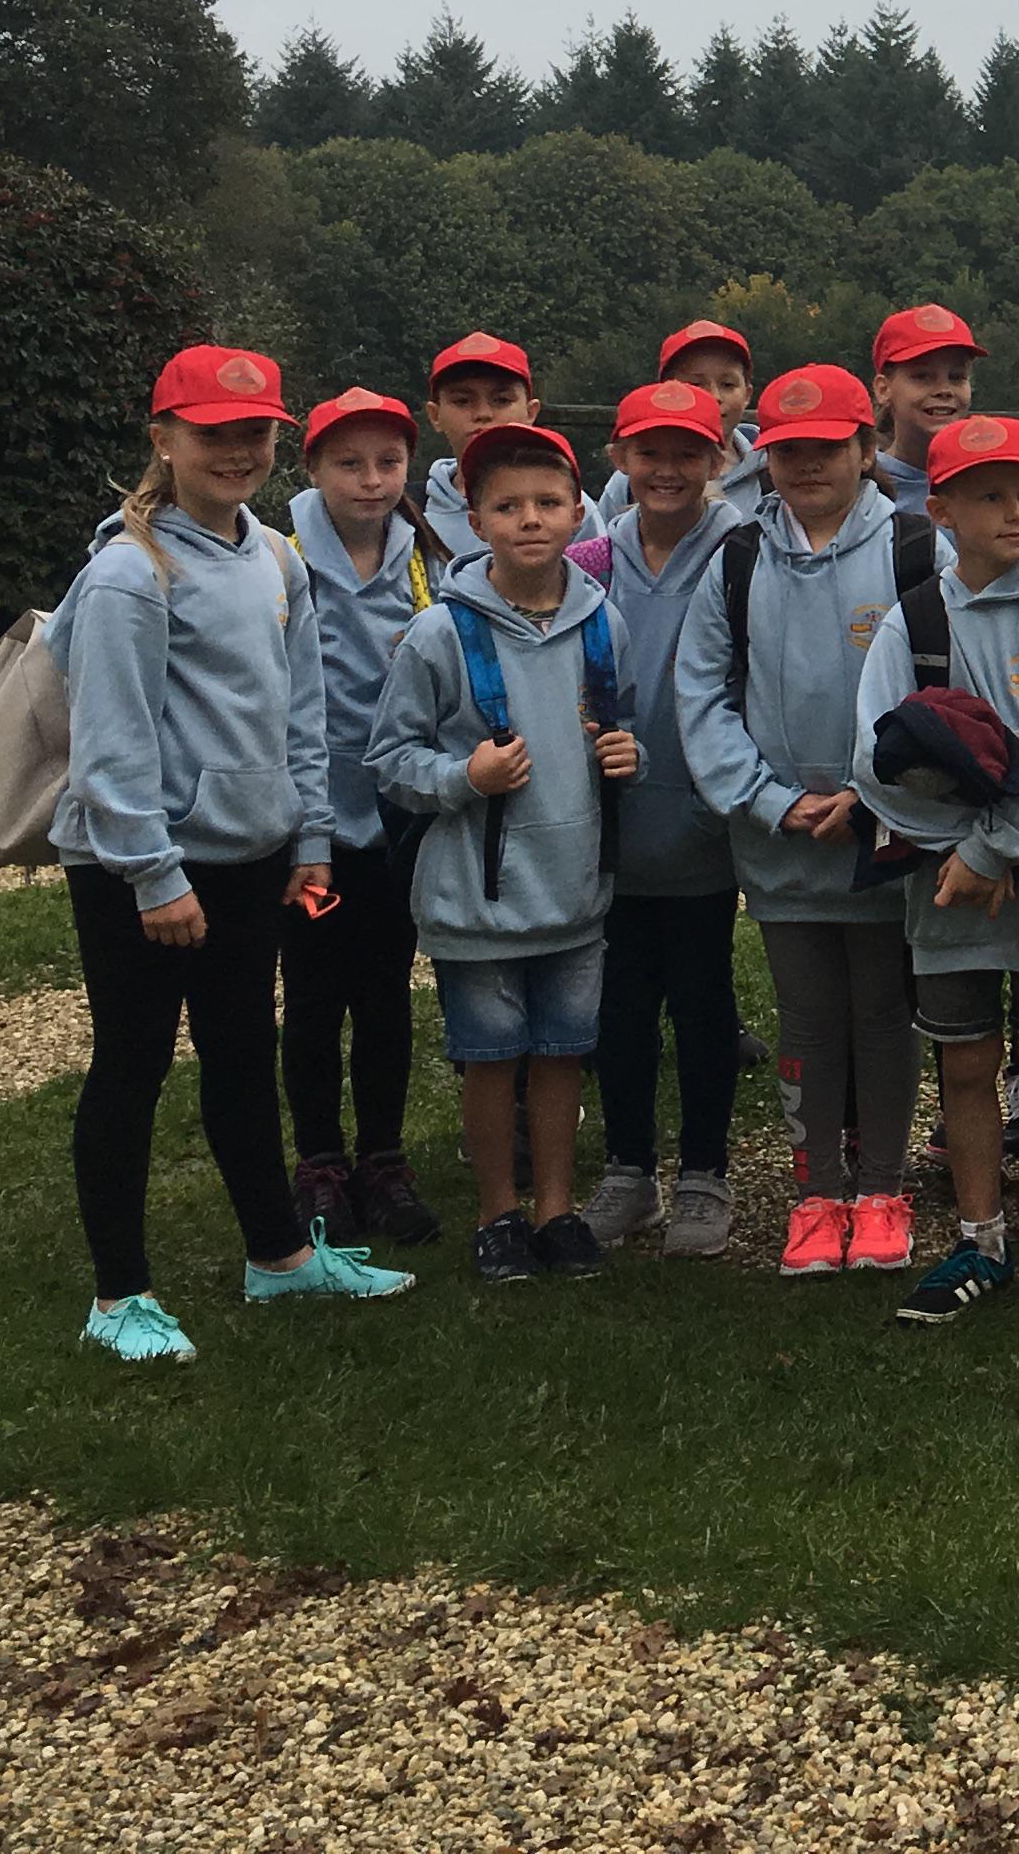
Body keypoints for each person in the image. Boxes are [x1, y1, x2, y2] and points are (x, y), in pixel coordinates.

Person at [55, 347, 414, 1361]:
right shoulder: (129, 574)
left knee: (243, 1059)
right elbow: (109, 742)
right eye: (212, 433)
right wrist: (152, 873)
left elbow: (304, 715)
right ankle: (119, 1294)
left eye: (255, 433)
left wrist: (308, 839)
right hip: (139, 868)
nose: (238, 451)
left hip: (250, 857)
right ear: (163, 439)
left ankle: (279, 1257)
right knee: (131, 1068)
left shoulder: (274, 558)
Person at [858, 413, 1019, 1325]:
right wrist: (964, 850)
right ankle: (979, 1239)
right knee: (966, 1060)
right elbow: (876, 759)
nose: (1017, 512)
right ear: (941, 510)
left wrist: (993, 847)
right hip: (948, 885)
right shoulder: (914, 619)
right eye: (991, 496)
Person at [369, 420, 644, 1284]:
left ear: (578, 512)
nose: (530, 520)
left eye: (549, 503)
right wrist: (465, 777)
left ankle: (557, 1209)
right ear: (477, 520)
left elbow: (618, 724)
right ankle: (498, 1212)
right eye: (508, 506)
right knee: (491, 1062)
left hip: (575, 890)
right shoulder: (440, 635)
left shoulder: (603, 626)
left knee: (562, 1055)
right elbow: (391, 760)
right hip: (478, 898)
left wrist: (626, 753)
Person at [674, 362, 930, 1282]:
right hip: (779, 843)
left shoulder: (917, 550)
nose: (807, 464)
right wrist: (770, 800)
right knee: (810, 1019)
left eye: (828, 447)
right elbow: (702, 695)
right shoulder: (738, 559)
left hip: (886, 836)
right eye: (788, 450)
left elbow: (945, 691)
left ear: (866, 448)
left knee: (886, 1014)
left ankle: (885, 1191)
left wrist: (875, 795)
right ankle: (818, 1195)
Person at [577, 378, 752, 1259]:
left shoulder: (744, 551)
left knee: (703, 999)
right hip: (609, 823)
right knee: (619, 1006)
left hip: (702, 818)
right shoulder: (591, 558)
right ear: (620, 457)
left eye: (689, 452)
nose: (668, 469)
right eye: (650, 452)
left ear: (718, 458)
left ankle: (705, 1176)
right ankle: (629, 1171)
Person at [280, 386, 443, 1252]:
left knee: (384, 996)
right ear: (313, 468)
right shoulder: (278, 556)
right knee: (313, 995)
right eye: (349, 463)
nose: (372, 480)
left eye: (388, 462)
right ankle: (319, 1162)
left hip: (396, 828)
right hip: (308, 835)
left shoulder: (427, 557)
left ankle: (382, 1160)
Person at [596, 320, 767, 517]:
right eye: (695, 384)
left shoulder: (772, 471)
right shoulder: (628, 482)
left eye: (728, 384)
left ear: (747, 394)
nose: (714, 396)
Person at [415, 332, 540, 565]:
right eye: (462, 401)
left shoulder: (566, 505)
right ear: (435, 415)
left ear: (530, 412)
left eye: (502, 400)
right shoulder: (408, 514)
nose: (483, 414)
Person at [868, 303, 988, 514]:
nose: (944, 390)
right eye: (922, 376)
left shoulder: (993, 477)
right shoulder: (864, 489)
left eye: (956, 377)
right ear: (883, 389)